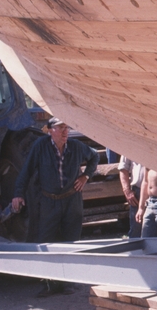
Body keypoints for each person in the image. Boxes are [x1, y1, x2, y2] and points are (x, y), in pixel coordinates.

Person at [11, 118, 99, 296]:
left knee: (70, 241)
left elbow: (94, 156)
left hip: (71, 200)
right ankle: (49, 284)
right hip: (49, 201)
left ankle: (68, 283)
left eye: (67, 127)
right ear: (50, 130)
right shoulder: (40, 146)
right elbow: (26, 170)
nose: (65, 131)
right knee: (47, 242)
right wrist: (18, 194)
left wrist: (86, 177)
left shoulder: (75, 146)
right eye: (61, 128)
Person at [118, 155, 146, 238]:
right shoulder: (131, 144)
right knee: (136, 229)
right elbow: (123, 168)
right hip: (138, 191)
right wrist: (127, 191)